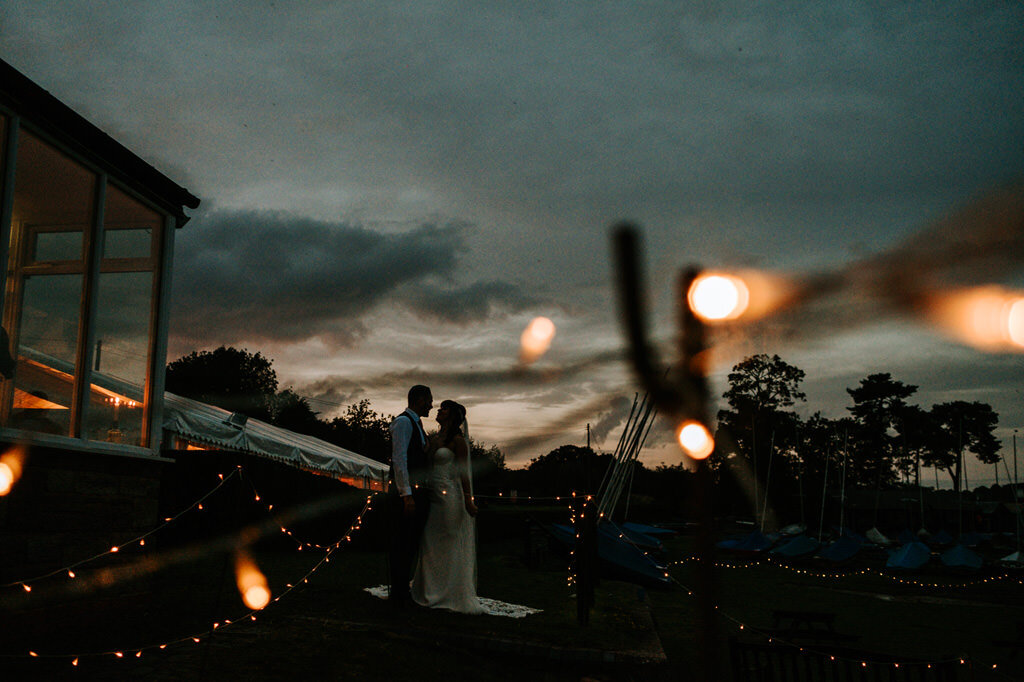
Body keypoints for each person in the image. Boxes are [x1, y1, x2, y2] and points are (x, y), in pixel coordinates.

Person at [410, 399, 483, 613]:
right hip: (432, 496)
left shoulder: (458, 441)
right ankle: (429, 590)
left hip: (450, 498)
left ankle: (449, 593)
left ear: (451, 415)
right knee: (430, 544)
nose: (438, 411)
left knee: (449, 543)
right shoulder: (434, 438)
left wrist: (468, 499)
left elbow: (463, 473)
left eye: (443, 408)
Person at [387, 384, 433, 609]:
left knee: (411, 543)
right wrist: (407, 495)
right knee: (402, 543)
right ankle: (398, 594)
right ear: (420, 400)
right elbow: (399, 459)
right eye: (430, 401)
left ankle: (403, 590)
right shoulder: (404, 422)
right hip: (408, 494)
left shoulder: (418, 425)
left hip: (418, 492)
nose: (432, 405)